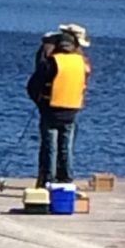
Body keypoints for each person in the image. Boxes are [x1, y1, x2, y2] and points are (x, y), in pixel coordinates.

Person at [26, 23, 90, 184]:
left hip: (51, 109)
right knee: (66, 147)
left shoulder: (52, 61)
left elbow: (34, 84)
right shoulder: (81, 62)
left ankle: (48, 179)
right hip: (72, 110)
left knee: (50, 147)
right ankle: (67, 179)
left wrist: (39, 101)